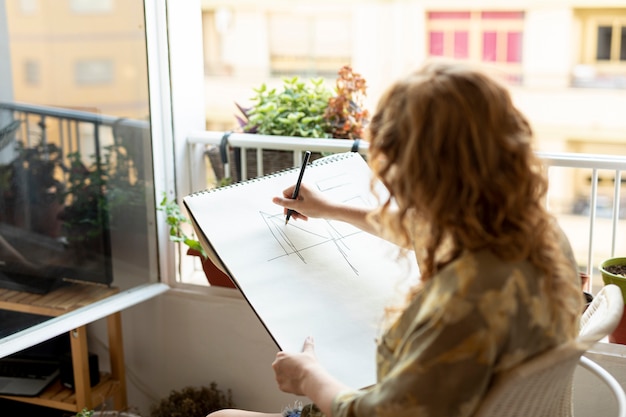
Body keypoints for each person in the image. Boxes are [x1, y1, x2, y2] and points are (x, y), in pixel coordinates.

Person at [208, 61, 583, 417]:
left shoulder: (465, 299)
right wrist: (331, 209)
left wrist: (307, 376)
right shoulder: (537, 233)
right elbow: (422, 231)